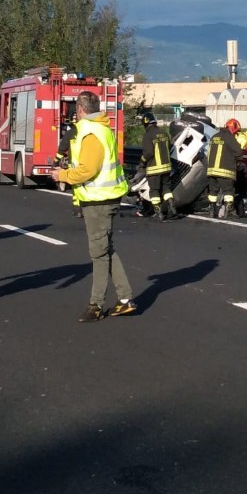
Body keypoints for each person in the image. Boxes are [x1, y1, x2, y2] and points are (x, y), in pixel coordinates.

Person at [50, 91, 136, 323]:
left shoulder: (90, 133)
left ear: (79, 109)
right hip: (106, 197)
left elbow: (87, 170)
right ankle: (125, 299)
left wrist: (62, 174)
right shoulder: (103, 128)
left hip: (98, 200)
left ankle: (95, 305)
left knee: (98, 254)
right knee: (106, 249)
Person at [141, 112, 177, 220]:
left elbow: (148, 153)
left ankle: (158, 213)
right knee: (166, 188)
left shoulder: (148, 135)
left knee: (154, 191)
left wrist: (142, 161)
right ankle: (171, 203)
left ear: (146, 123)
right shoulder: (164, 133)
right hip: (166, 168)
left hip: (154, 168)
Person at [206, 118, 244, 218]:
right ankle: (229, 210)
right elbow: (239, 153)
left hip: (211, 170)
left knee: (213, 191)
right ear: (233, 128)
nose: (236, 134)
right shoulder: (229, 138)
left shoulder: (214, 137)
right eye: (236, 132)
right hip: (225, 171)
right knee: (228, 191)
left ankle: (212, 210)